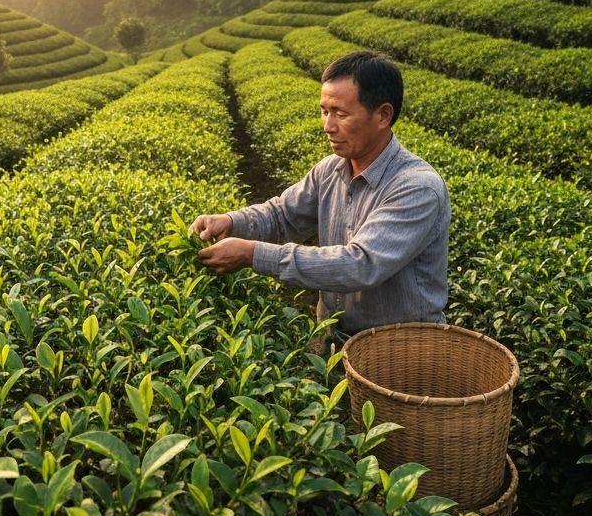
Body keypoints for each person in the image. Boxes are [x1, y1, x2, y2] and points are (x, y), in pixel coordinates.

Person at [189, 50, 450, 335]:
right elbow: (282, 215)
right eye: (325, 111)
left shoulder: (416, 187)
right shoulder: (330, 170)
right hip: (335, 338)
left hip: (402, 350)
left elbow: (359, 265)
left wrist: (252, 254)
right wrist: (231, 221)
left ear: (383, 115)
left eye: (341, 113)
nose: (328, 126)